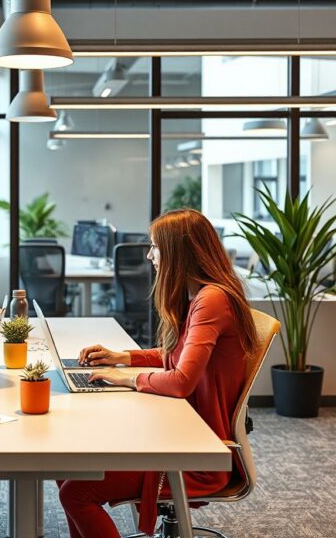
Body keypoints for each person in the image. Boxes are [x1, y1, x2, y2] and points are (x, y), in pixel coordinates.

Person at [57, 208, 258, 538]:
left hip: (193, 450)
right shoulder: (204, 295)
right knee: (67, 469)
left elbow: (181, 381)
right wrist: (122, 357)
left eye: (155, 246)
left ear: (180, 252)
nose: (150, 255)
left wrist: (126, 378)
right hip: (179, 429)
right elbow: (179, 355)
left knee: (75, 493)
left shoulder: (212, 300)